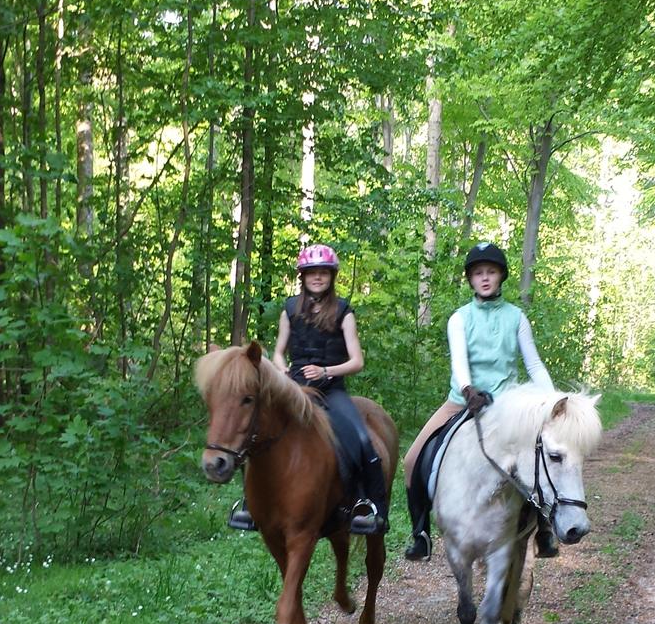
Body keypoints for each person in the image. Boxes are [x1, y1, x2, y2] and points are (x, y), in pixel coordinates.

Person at [403, 240, 557, 560]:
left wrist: (552, 399)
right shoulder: (460, 318)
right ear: (470, 279)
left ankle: (543, 528)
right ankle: (420, 533)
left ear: (501, 276)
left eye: (491, 272)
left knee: (539, 457)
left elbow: (534, 364)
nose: (484, 278)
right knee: (412, 459)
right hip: (463, 401)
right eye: (477, 273)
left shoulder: (517, 317)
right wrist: (468, 389)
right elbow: (460, 361)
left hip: (509, 407)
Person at [228, 244, 389, 536]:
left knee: (362, 440)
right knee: (256, 431)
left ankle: (369, 506)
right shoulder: (289, 310)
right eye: (311, 272)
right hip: (295, 388)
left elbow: (357, 361)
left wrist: (327, 371)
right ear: (303, 276)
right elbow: (278, 352)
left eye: (323, 273)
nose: (317, 277)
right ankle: (251, 506)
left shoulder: (344, 312)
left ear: (331, 276)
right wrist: (282, 370)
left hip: (332, 390)